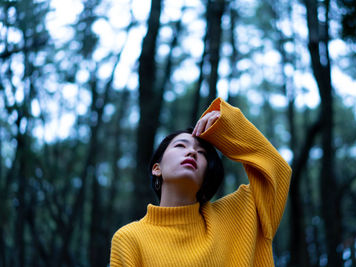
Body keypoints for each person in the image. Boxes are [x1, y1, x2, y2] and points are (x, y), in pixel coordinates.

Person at [110, 98, 292, 266]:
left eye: (202, 153)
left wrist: (229, 126)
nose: (191, 152)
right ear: (156, 168)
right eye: (180, 145)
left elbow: (278, 170)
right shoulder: (130, 239)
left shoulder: (237, 217)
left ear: (207, 174)